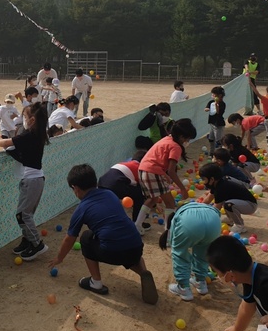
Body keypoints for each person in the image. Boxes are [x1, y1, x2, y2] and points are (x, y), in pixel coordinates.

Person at [49, 164, 158, 304]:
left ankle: (96, 282)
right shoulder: (110, 194)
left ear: (75, 188)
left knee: (86, 237)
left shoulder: (82, 208)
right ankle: (143, 272)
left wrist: (59, 258)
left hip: (113, 251)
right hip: (137, 246)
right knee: (126, 243)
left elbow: (70, 239)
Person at [0, 102, 50, 261]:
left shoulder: (30, 135)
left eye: (25, 117)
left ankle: (37, 244)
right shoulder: (38, 135)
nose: (23, 119)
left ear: (33, 120)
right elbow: (19, 152)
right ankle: (27, 241)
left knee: (22, 215)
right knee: (27, 214)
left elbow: (9, 142)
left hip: (32, 180)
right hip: (34, 179)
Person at [136, 118, 198, 234]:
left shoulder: (166, 139)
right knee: (170, 203)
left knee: (152, 199)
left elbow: (157, 160)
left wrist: (165, 176)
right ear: (181, 137)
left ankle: (137, 225)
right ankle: (168, 234)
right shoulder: (176, 146)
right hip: (152, 172)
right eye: (187, 138)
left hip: (142, 169)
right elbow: (171, 171)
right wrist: (182, 189)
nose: (187, 141)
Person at [159, 201, 221, 301]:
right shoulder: (202, 206)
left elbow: (177, 249)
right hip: (214, 223)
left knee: (180, 253)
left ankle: (183, 288)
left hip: (191, 223)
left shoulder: (179, 215)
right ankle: (201, 282)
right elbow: (217, 213)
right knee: (204, 252)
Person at [200, 163, 258, 233]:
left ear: (212, 179)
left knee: (228, 205)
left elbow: (216, 209)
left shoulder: (221, 187)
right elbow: (208, 199)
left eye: (204, 179)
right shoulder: (217, 183)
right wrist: (198, 208)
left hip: (250, 205)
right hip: (242, 202)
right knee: (226, 202)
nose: (203, 182)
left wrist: (206, 222)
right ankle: (231, 219)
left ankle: (239, 225)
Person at [97, 150, 146, 225]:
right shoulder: (140, 168)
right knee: (140, 194)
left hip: (101, 183)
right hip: (116, 185)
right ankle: (137, 223)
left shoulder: (124, 163)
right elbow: (144, 187)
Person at [205, 86, 226, 151]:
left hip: (218, 125)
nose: (213, 96)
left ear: (219, 95)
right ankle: (212, 152)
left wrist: (217, 105)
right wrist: (208, 109)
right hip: (212, 124)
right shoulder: (211, 102)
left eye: (214, 94)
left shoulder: (222, 104)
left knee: (218, 141)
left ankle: (219, 153)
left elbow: (218, 112)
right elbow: (205, 109)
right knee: (211, 139)